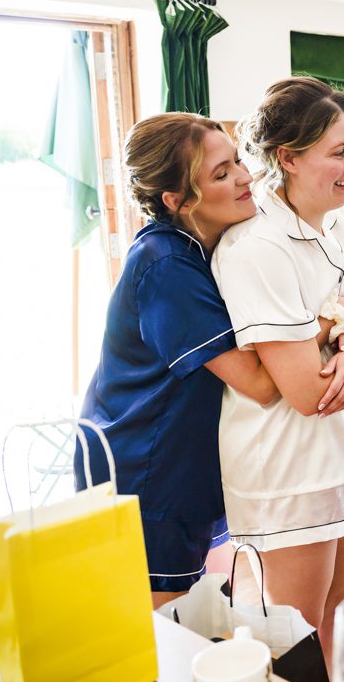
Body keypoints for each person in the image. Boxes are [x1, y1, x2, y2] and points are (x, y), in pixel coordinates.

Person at [212, 76, 344, 667]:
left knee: (342, 611)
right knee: (295, 636)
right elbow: (302, 392)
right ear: (288, 158)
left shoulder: (340, 227)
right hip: (290, 466)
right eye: (339, 152)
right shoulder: (257, 247)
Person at [75, 114, 280, 608]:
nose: (245, 176)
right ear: (178, 201)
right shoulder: (167, 266)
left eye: (238, 161)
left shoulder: (205, 249)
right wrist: (329, 319)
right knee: (164, 629)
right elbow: (258, 382)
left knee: (199, 613)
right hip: (144, 469)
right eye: (221, 173)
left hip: (177, 459)